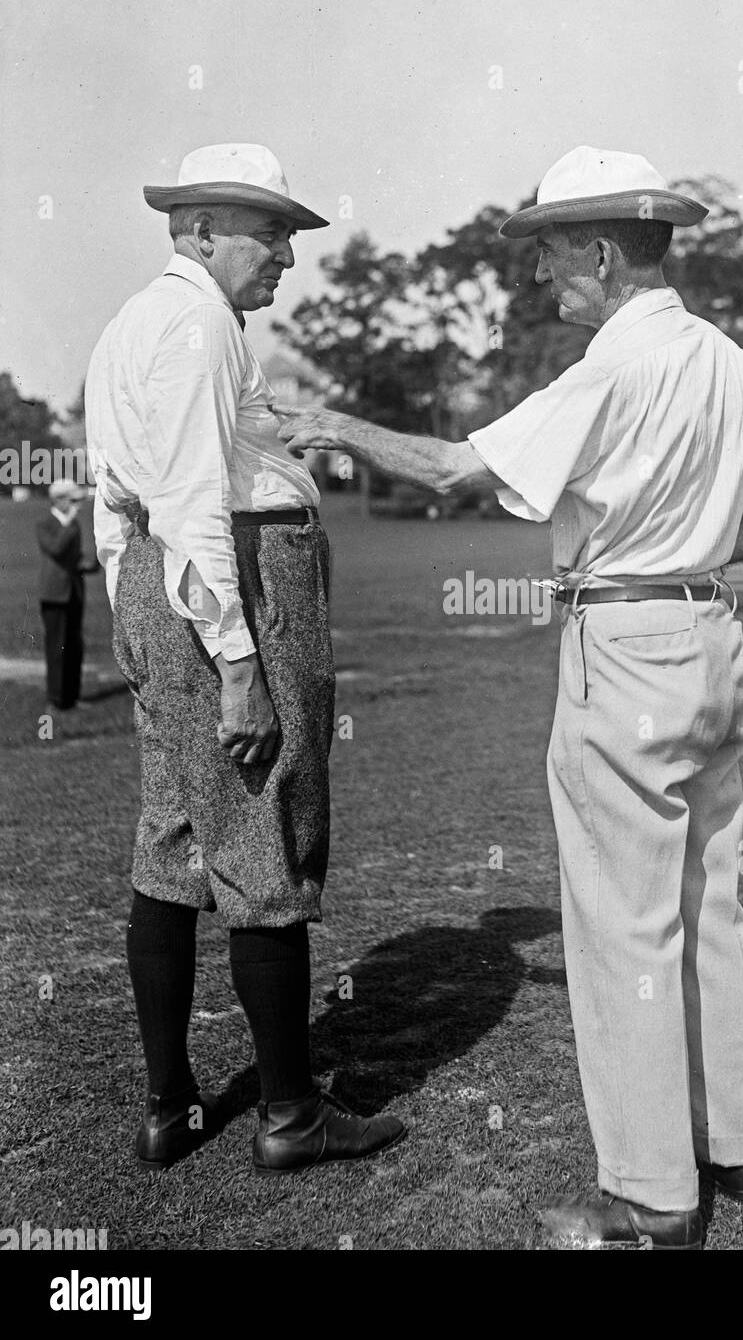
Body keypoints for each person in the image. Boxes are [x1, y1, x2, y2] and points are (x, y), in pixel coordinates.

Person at [274, 146, 743, 1248]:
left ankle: (653, 1192)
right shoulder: (734, 363)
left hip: (629, 647)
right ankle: (733, 1146)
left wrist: (333, 427)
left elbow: (461, 471)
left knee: (623, 928)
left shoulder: (614, 365)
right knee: (709, 904)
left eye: (553, 254)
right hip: (711, 639)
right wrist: (685, 537)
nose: (545, 278)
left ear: (605, 251)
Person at [84, 143, 405, 1176]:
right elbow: (190, 505)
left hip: (152, 585)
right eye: (272, 235)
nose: (288, 259)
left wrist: (130, 621)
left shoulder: (133, 323)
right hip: (230, 587)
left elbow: (119, 511)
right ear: (201, 230)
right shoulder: (198, 325)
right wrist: (235, 663)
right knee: (265, 827)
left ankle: (170, 1108)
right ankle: (290, 1112)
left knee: (173, 841)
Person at [37, 478, 99, 710]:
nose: (78, 505)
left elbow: (72, 560)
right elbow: (56, 549)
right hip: (53, 595)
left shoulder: (71, 524)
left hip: (73, 592)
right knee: (56, 648)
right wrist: (68, 522)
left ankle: (72, 697)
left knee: (74, 646)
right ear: (59, 500)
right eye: (73, 500)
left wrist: (94, 563)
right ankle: (56, 700)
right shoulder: (46, 523)